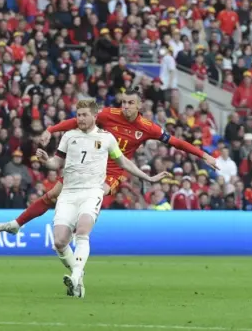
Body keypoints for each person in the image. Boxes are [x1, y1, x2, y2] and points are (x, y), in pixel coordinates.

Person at [0, 88, 218, 234]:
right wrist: (52, 129)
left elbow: (177, 142)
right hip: (88, 164)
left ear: (139, 106)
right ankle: (17, 224)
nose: (125, 106)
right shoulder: (109, 114)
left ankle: (79, 238)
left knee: (95, 192)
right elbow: (77, 121)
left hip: (113, 172)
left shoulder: (148, 128)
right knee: (51, 195)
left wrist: (204, 155)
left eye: (130, 103)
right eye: (124, 102)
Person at [34, 99, 168, 298]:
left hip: (92, 191)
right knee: (60, 242)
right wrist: (46, 161)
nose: (80, 118)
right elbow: (56, 164)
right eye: (78, 115)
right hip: (69, 193)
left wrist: (146, 177)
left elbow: (123, 161)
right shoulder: (69, 136)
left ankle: (76, 275)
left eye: (84, 115)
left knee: (82, 231)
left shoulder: (106, 138)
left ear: (95, 116)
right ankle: (78, 281)